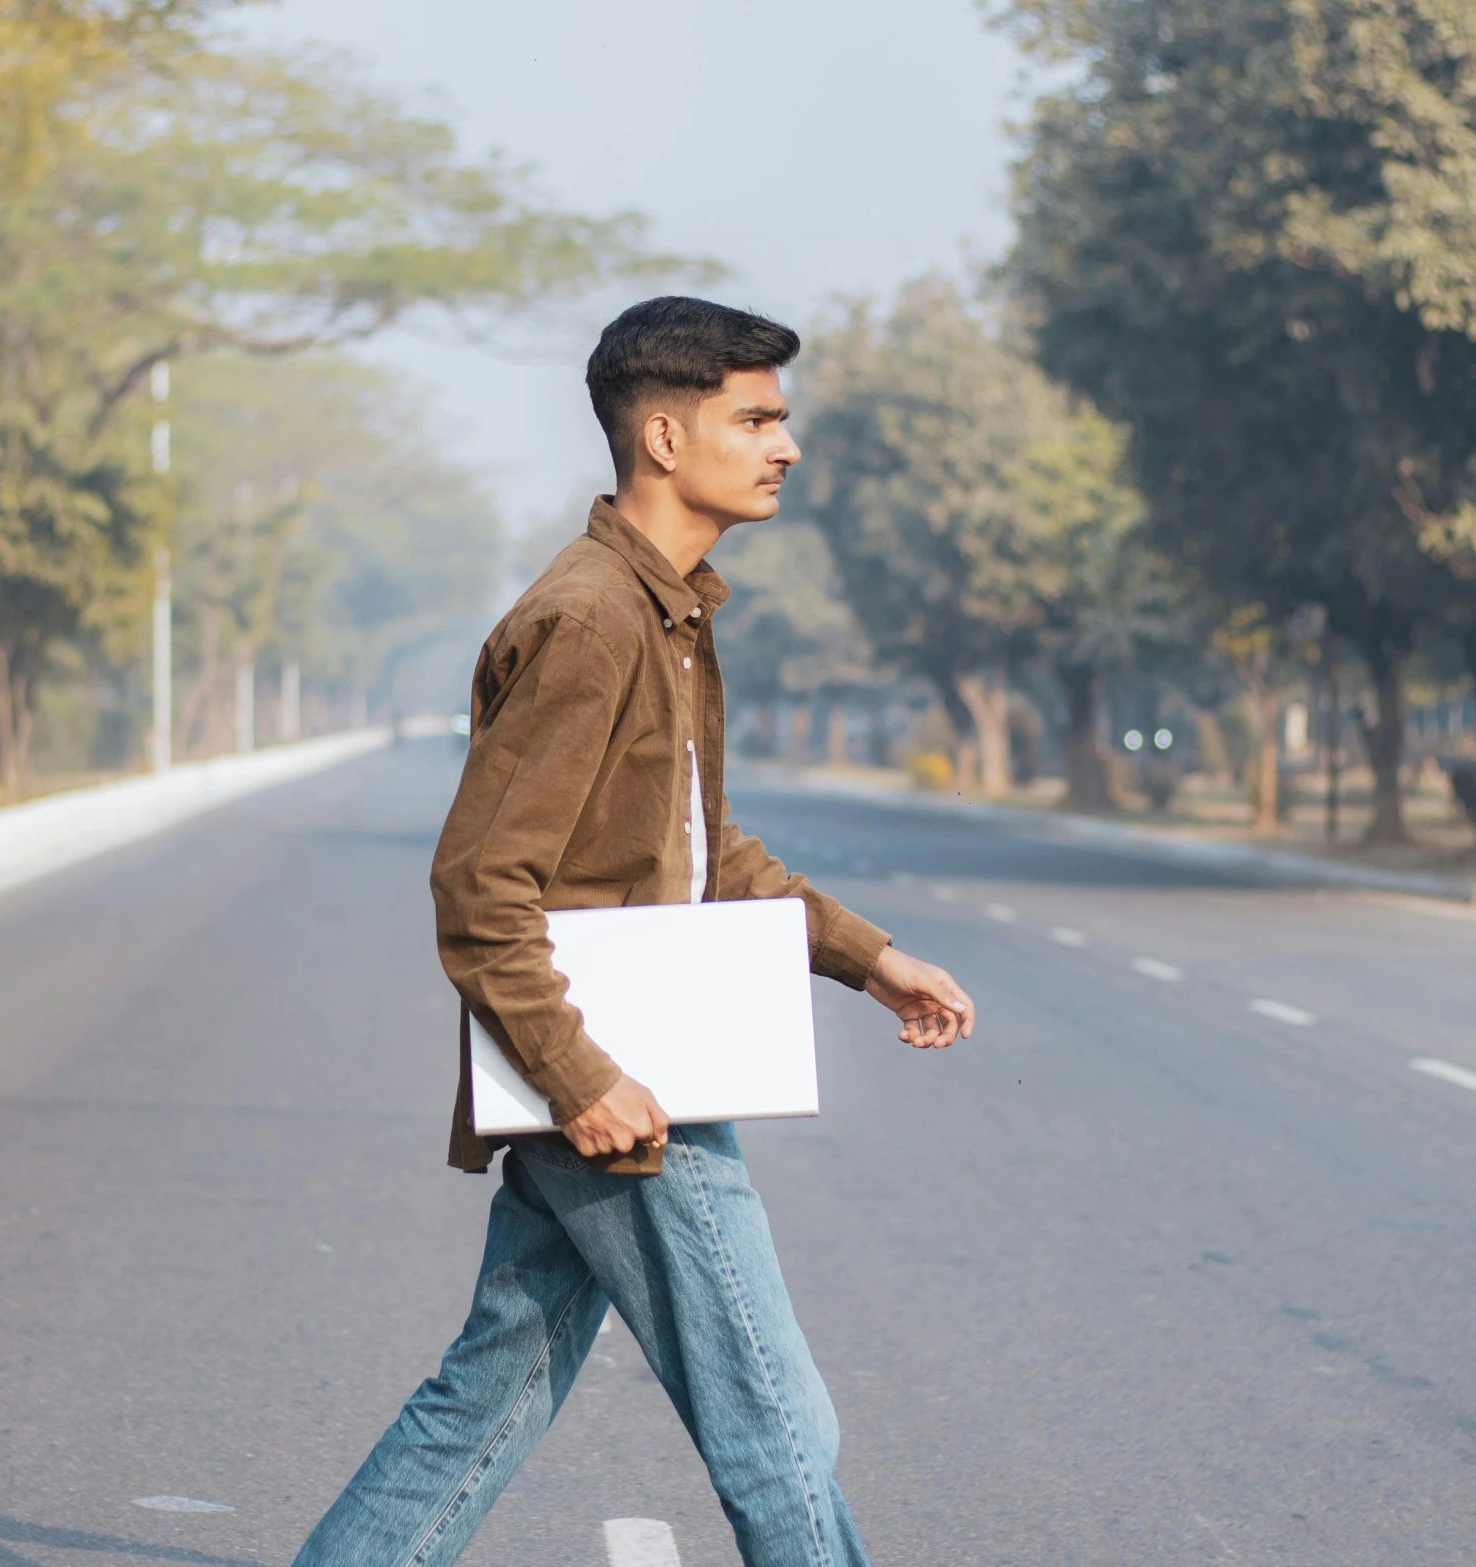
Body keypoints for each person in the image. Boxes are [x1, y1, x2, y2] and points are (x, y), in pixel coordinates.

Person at [290, 296, 976, 1567]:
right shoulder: (595, 621)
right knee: (775, 1420)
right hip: (624, 1088)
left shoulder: (664, 612)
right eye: (756, 417)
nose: (787, 445)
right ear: (663, 436)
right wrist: (582, 1077)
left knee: (481, 1407)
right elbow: (481, 885)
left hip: (629, 1070)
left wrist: (869, 959)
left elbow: (702, 857)